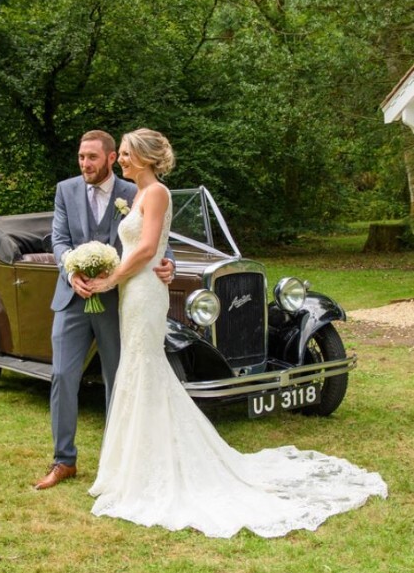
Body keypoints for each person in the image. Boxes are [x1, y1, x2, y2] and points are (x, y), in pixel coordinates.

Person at [87, 128, 388, 539]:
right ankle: (136, 466)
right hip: (133, 291)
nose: (119, 160)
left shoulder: (156, 193)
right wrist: (111, 273)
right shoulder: (138, 195)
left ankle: (153, 469)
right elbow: (143, 249)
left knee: (146, 366)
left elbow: (146, 248)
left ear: (145, 157)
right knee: (139, 368)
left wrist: (111, 278)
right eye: (120, 154)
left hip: (142, 291)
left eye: (124, 154)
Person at [34, 130, 175, 491]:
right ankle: (63, 461)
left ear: (112, 158)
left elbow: (156, 238)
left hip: (118, 301)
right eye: (81, 157)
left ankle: (117, 463)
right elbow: (59, 239)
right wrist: (72, 269)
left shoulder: (135, 189)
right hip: (71, 299)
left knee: (119, 379)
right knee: (63, 377)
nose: (85, 164)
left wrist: (168, 263)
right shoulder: (65, 190)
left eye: (92, 158)